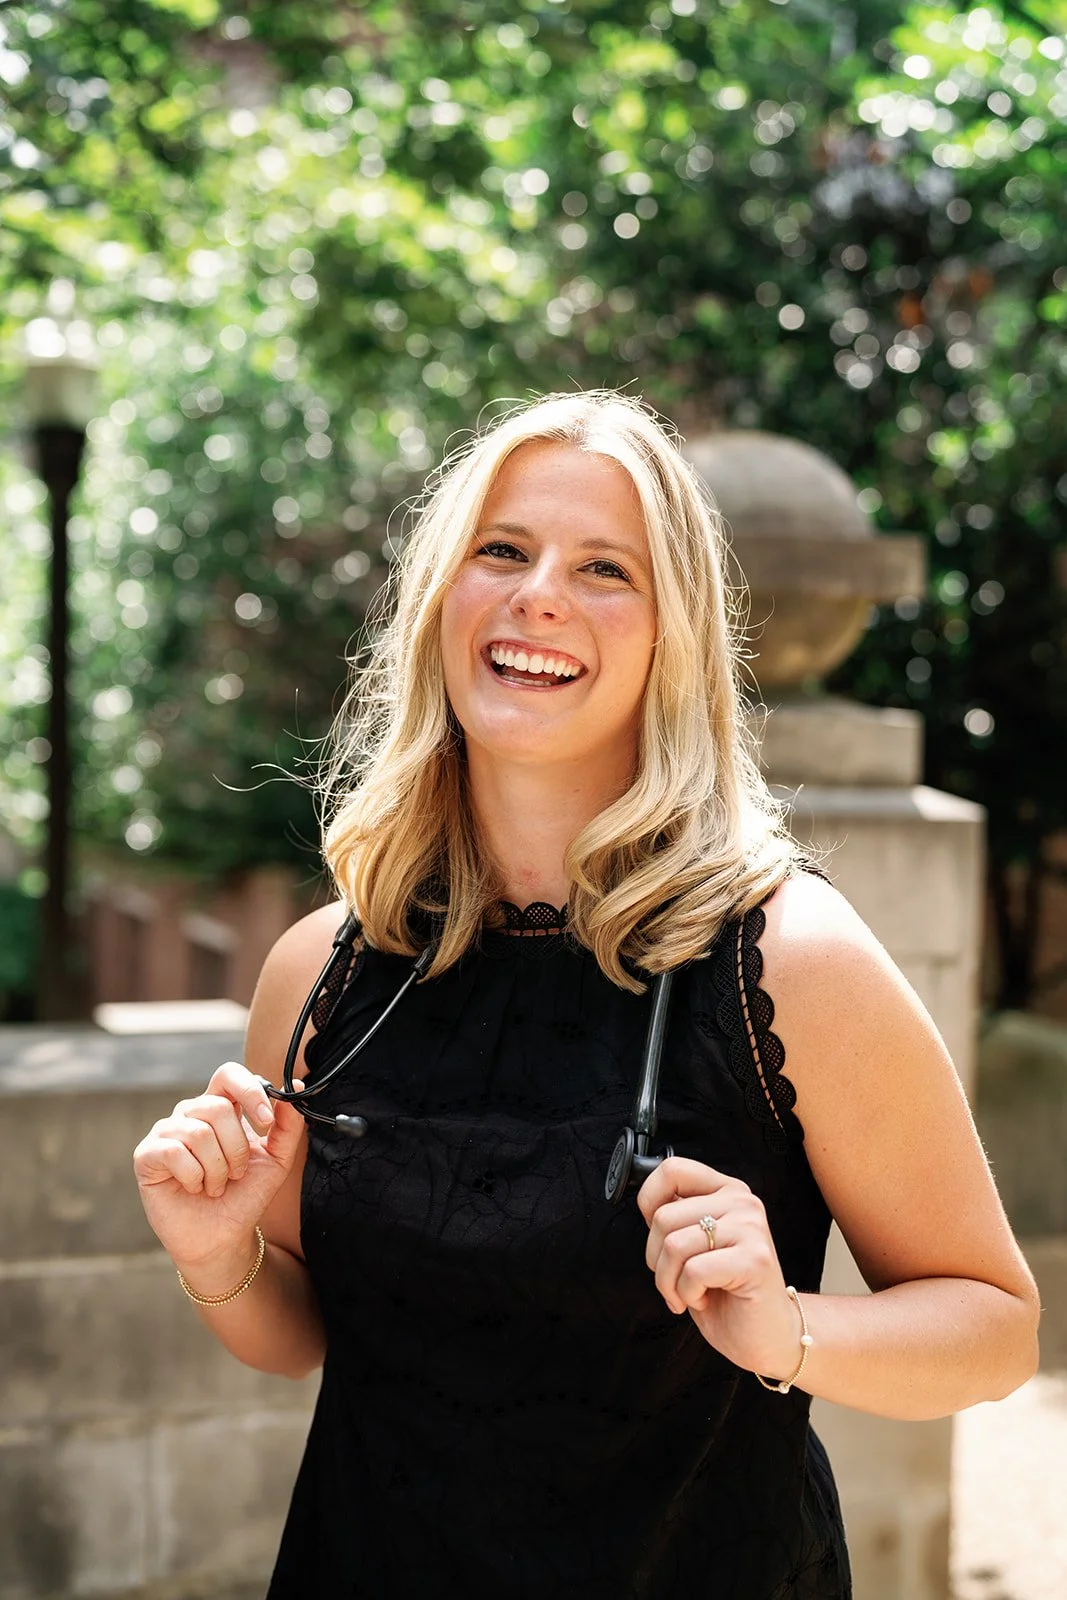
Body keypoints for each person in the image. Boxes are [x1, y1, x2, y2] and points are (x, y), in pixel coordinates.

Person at [133, 391, 1039, 1599]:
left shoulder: (789, 963)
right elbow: (301, 1338)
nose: (538, 595)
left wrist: (786, 1330)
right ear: (439, 599)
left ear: (672, 637)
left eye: (603, 568)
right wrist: (215, 1248)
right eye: (501, 550)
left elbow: (993, 1327)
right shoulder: (321, 970)